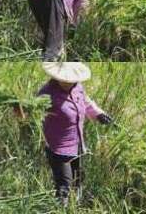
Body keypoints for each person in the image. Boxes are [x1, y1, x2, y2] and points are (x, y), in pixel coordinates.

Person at [39, 62, 112, 206]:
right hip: (58, 149)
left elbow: (86, 102)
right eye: (64, 79)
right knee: (64, 185)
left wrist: (99, 114)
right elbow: (31, 111)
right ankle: (62, 207)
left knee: (78, 179)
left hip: (76, 144)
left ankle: (75, 205)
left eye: (71, 80)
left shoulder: (77, 88)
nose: (67, 82)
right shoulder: (47, 93)